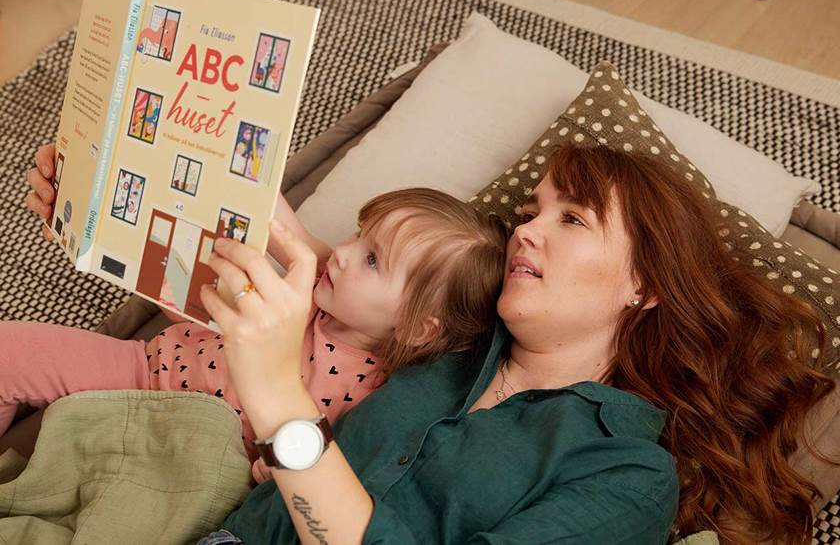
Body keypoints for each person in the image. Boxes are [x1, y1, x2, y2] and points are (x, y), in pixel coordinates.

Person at [24, 142, 835, 544]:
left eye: (571, 218)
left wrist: (278, 400)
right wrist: (106, 212)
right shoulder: (441, 350)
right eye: (532, 210)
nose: (525, 231)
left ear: (644, 287)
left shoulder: (626, 474)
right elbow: (295, 284)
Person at [11, 142, 508, 482]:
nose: (344, 250)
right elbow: (267, 212)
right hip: (144, 373)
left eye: (373, 260)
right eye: (359, 233)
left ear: (418, 328)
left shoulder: (371, 395)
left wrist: (272, 468)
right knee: (12, 351)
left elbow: (308, 471)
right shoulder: (316, 282)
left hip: (186, 455)